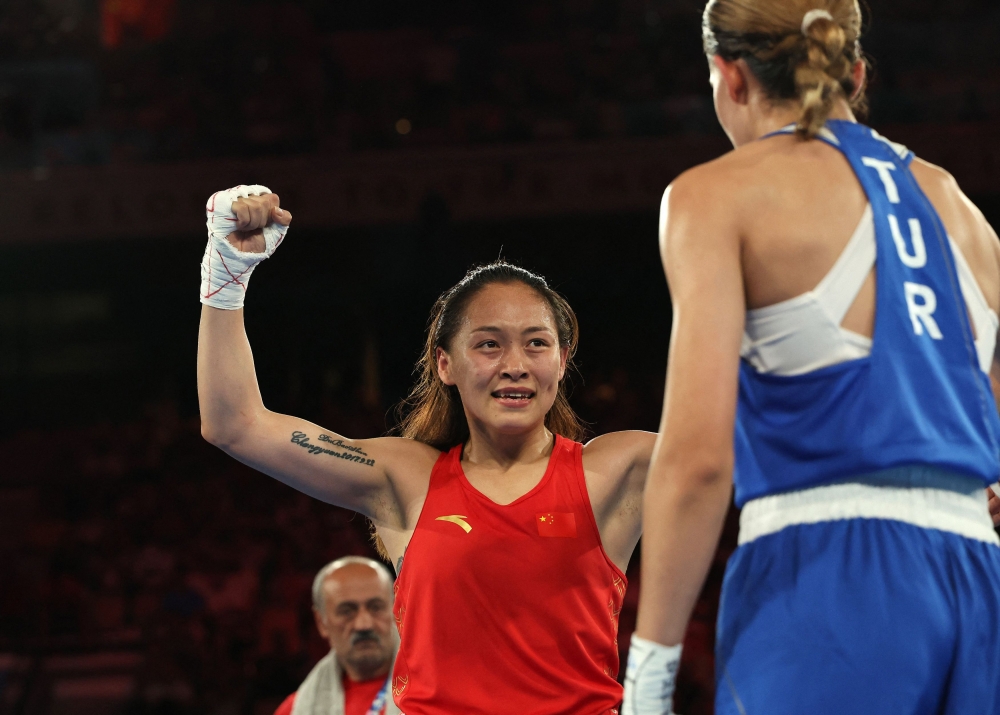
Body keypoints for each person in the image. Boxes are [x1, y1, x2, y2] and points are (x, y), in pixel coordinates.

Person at [624, 2, 1000, 714]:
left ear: (729, 77)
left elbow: (700, 459)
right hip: (980, 584)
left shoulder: (716, 195)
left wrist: (647, 675)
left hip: (830, 579)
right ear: (854, 73)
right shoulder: (960, 209)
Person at [197, 186, 654, 714]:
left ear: (562, 358)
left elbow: (741, 440)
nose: (515, 364)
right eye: (488, 343)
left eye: (536, 342)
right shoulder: (405, 479)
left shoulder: (619, 470)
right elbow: (235, 425)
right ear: (445, 364)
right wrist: (226, 274)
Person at [273, 557, 399, 715]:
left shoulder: (433, 690)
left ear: (395, 610)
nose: (364, 624)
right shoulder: (294, 710)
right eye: (347, 611)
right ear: (321, 622)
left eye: (376, 607)